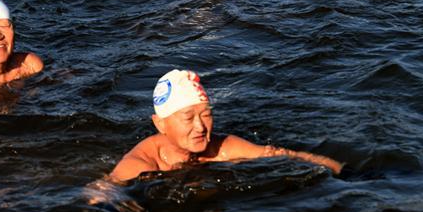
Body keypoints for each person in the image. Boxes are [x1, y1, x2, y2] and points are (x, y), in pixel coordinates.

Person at [109, 69, 343, 181]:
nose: (201, 127)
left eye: (206, 115)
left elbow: (285, 155)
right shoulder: (138, 167)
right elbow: (102, 197)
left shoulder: (222, 147)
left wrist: (346, 176)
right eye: (189, 118)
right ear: (160, 124)